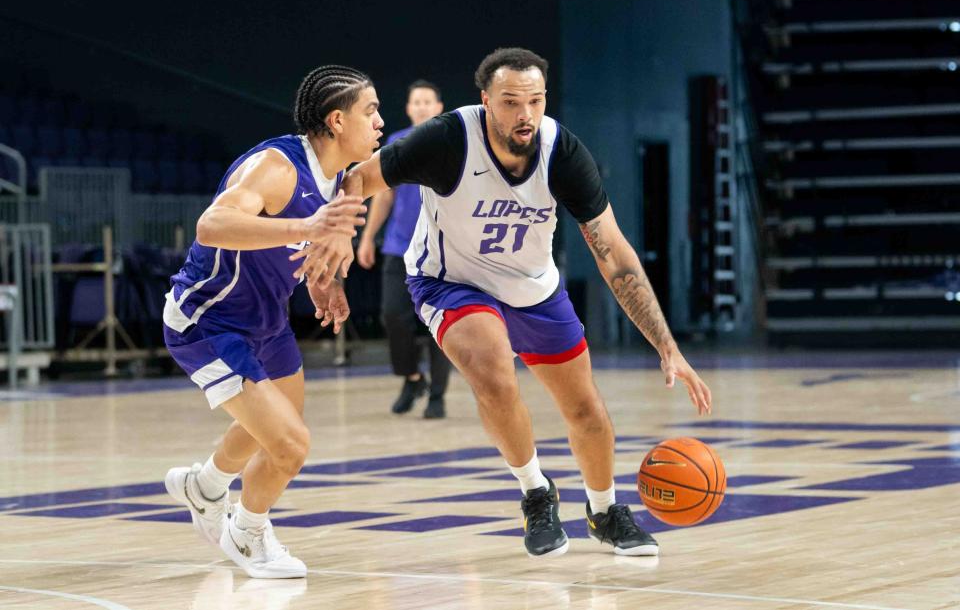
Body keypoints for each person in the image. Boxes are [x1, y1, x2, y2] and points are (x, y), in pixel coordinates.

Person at [294, 48, 712, 559]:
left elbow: (614, 254)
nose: (525, 114)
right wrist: (330, 254)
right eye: (512, 102)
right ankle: (536, 492)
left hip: (533, 286)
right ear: (486, 100)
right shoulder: (447, 138)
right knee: (493, 370)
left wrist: (666, 346)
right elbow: (359, 176)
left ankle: (604, 511)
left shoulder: (563, 152)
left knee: (585, 407)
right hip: (450, 281)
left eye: (535, 101)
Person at [162, 65, 380, 578]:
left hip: (267, 322)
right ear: (336, 120)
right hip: (208, 321)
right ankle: (247, 532)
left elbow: (300, 248)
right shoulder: (276, 167)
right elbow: (211, 225)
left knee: (275, 431)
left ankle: (206, 486)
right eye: (370, 111)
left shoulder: (341, 181)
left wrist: (325, 281)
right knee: (290, 444)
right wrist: (307, 225)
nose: (379, 121)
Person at [357, 80, 452, 419]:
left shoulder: (453, 144)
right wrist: (368, 237)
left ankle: (437, 395)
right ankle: (413, 377)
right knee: (392, 314)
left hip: (445, 252)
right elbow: (383, 196)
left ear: (439, 107)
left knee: (440, 325)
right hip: (400, 247)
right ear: (409, 108)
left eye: (429, 101)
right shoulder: (395, 144)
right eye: (417, 102)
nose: (423, 106)